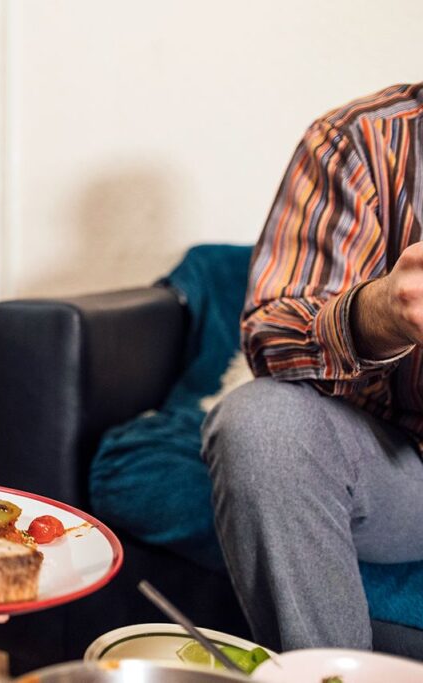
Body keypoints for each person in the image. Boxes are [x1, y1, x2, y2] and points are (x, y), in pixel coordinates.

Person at [202, 83, 423, 652]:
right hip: (401, 473)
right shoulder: (356, 141)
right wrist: (385, 311)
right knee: (261, 422)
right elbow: (269, 336)